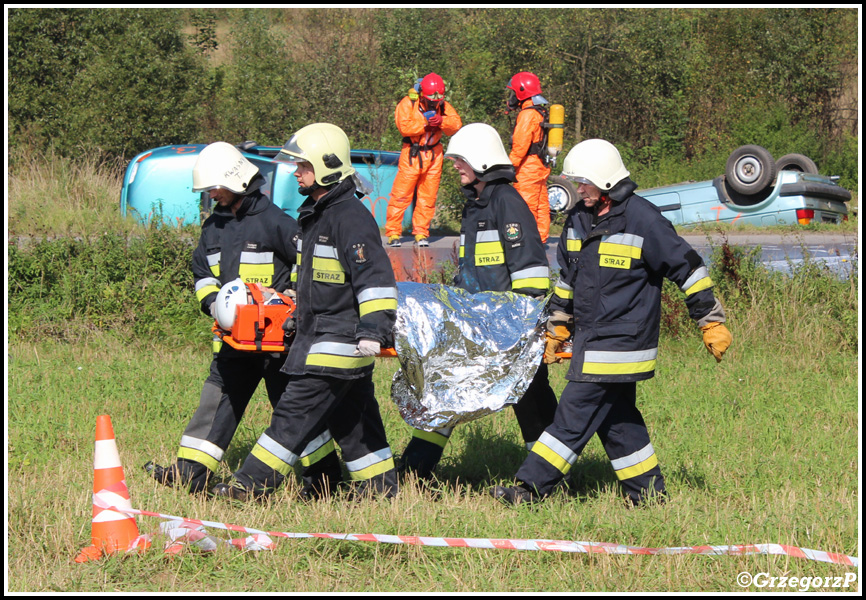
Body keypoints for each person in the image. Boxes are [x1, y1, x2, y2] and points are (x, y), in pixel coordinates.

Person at [492, 139, 733, 506]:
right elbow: (567, 280)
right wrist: (557, 324)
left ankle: (529, 490)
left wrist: (709, 320)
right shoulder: (578, 220)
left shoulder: (644, 221)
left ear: (605, 181)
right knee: (619, 423)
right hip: (590, 340)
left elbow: (690, 269)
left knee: (570, 419)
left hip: (622, 343)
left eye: (583, 183)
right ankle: (649, 495)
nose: (578, 190)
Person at [212, 123, 400, 501]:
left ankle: (249, 486)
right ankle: (381, 489)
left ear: (326, 165)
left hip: (339, 343)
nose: (296, 172)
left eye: (303, 165)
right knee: (354, 421)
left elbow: (375, 278)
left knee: (291, 416)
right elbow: (312, 282)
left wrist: (374, 330)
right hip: (322, 337)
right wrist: (284, 299)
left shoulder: (350, 218)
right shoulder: (319, 215)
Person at [144, 141, 342, 500]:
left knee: (291, 410)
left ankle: (324, 479)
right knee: (216, 398)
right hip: (234, 340)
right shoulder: (213, 228)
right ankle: (190, 472)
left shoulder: (276, 222)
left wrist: (294, 301)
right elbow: (203, 274)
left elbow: (309, 263)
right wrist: (214, 307)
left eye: (215, 187)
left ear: (236, 182)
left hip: (276, 341)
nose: (211, 194)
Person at [398, 123, 558, 480]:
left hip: (509, 329)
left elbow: (531, 273)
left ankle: (550, 476)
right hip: (476, 326)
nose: (455, 166)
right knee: (445, 388)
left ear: (482, 162)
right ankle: (413, 470)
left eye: (461, 160)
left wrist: (520, 329)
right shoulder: (477, 206)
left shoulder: (506, 203)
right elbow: (469, 274)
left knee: (532, 399)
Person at [385, 73, 462, 248]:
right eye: (431, 100)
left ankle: (421, 232)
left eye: (437, 100)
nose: (434, 103)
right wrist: (425, 123)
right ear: (421, 94)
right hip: (412, 154)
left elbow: (456, 124)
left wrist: (441, 121)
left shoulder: (443, 105)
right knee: (401, 194)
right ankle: (393, 232)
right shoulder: (408, 103)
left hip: (434, 155)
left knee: (428, 197)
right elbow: (404, 127)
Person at [506, 71, 552, 244]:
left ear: (521, 92)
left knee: (526, 207)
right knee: (541, 205)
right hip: (540, 165)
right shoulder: (540, 111)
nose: (511, 97)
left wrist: (509, 169)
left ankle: (528, 243)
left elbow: (520, 146)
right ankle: (540, 240)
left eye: (513, 92)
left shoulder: (527, 115)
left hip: (527, 168)